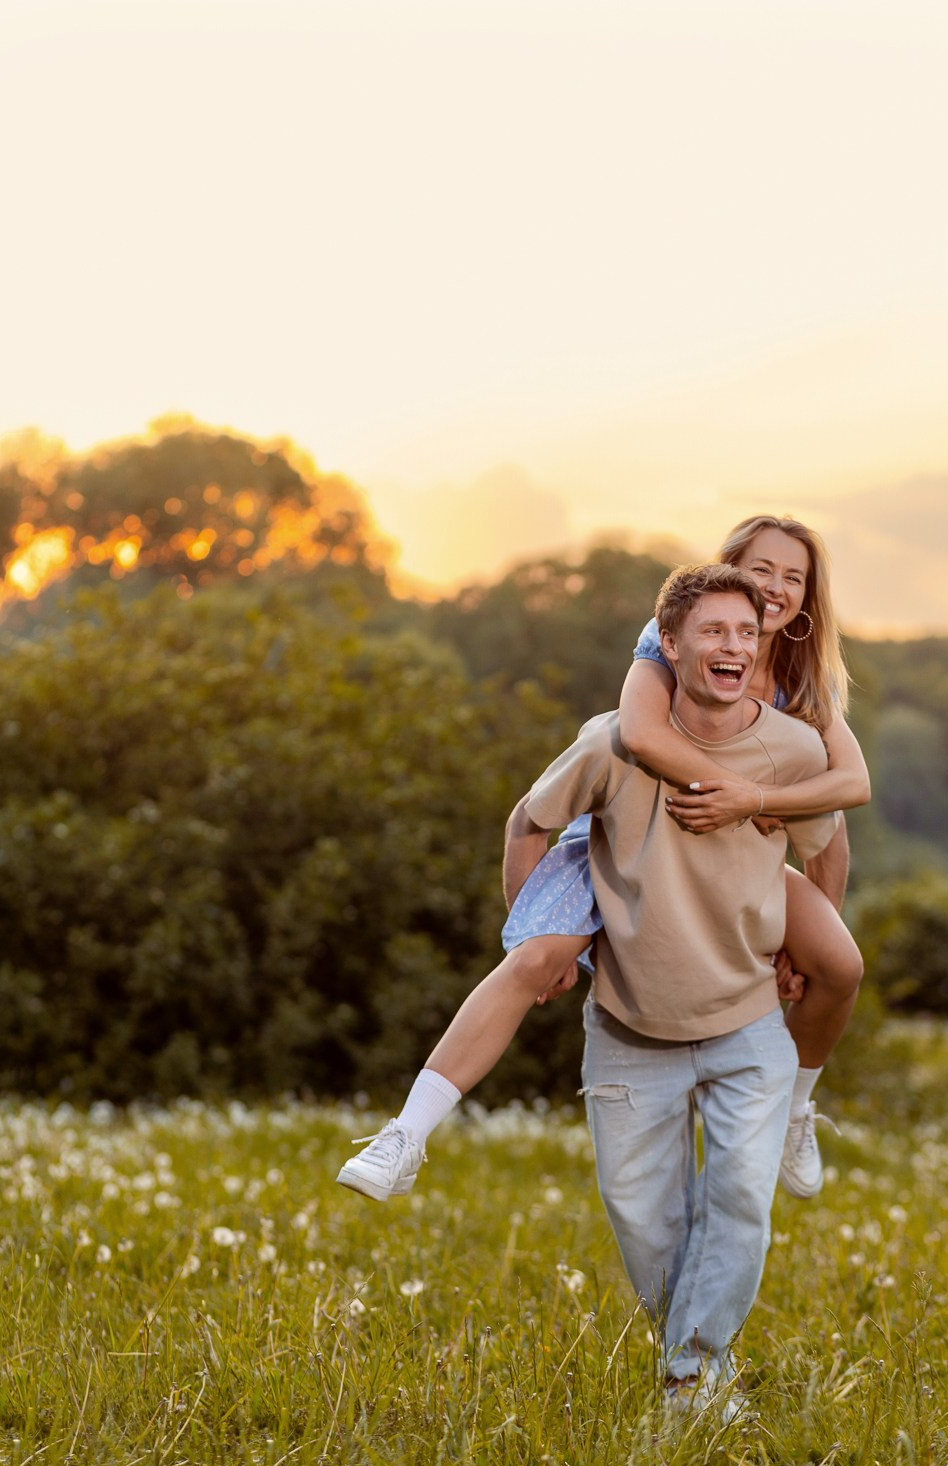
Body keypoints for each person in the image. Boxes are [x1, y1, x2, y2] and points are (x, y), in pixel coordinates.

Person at [336, 516, 868, 1203]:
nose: (775, 587)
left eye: (794, 578)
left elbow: (846, 797)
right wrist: (538, 931)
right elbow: (640, 734)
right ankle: (405, 1136)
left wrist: (757, 813)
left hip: (731, 857)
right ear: (730, 573)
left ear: (807, 599)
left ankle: (795, 1111)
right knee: (529, 960)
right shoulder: (669, 643)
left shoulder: (801, 683)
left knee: (842, 964)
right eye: (761, 569)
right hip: (634, 835)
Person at [503, 563, 841, 1405]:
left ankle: (691, 1377)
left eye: (746, 633)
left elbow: (825, 843)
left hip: (749, 1023)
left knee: (737, 1201)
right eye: (714, 632)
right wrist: (539, 943)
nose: (734, 646)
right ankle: (698, 1363)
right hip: (627, 1029)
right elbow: (528, 822)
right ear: (672, 644)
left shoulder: (794, 749)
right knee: (645, 1223)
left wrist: (807, 939)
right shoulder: (611, 740)